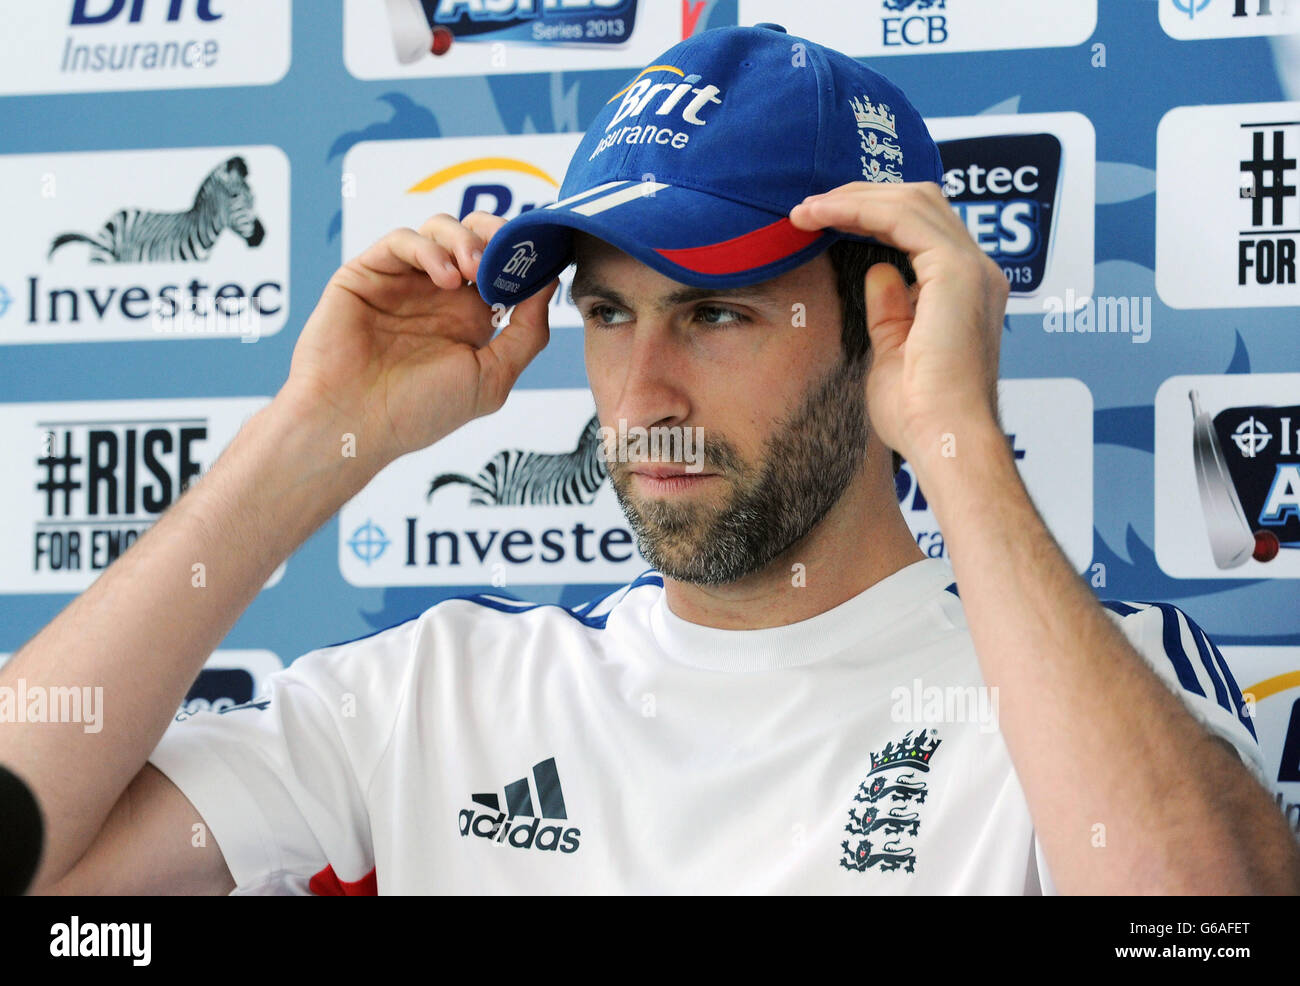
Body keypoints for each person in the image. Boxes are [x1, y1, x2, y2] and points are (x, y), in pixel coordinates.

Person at [6, 23, 1297, 895]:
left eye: (717, 313)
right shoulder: (436, 697)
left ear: (888, 318)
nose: (644, 390)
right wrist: (310, 436)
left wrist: (955, 439)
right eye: (610, 313)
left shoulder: (1089, 683)